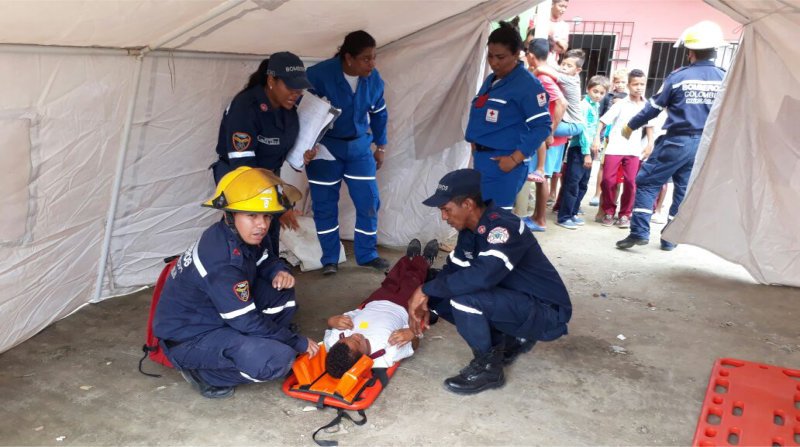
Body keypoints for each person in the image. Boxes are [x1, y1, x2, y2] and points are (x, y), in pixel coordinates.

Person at [154, 167, 319, 399]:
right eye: (251, 216)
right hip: (188, 338)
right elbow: (246, 320)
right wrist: (295, 342)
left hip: (217, 316)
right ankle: (206, 374)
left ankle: (258, 341)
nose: (261, 225)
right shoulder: (222, 261)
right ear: (229, 215)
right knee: (277, 360)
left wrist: (278, 271)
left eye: (266, 216)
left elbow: (264, 258)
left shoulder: (238, 235)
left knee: (282, 293)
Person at [408, 169, 572, 395]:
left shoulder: (503, 228)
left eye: (446, 209)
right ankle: (509, 340)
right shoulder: (470, 230)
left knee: (464, 298)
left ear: (467, 204)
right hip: (519, 301)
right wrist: (426, 298)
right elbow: (452, 272)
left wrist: (425, 289)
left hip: (546, 311)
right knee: (439, 292)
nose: (443, 217)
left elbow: (482, 276)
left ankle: (488, 369)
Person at [616, 21, 726, 251]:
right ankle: (670, 239)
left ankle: (639, 232)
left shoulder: (679, 77)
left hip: (677, 140)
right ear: (715, 51)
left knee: (647, 182)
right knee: (683, 189)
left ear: (690, 52)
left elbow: (653, 107)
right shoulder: (723, 78)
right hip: (705, 144)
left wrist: (631, 125)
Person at [211, 52, 315, 253]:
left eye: (299, 88)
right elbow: (244, 168)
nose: (296, 93)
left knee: (269, 234)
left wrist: (303, 155)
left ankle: (270, 275)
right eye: (290, 87)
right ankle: (238, 280)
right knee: (244, 234)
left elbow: (283, 150)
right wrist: (279, 205)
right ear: (271, 80)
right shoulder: (245, 107)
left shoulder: (289, 110)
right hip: (239, 177)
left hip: (268, 176)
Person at [305, 30, 390, 275]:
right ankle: (329, 258)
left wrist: (381, 146)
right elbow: (305, 114)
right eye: (366, 58)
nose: (372, 64)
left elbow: (379, 114)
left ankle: (367, 254)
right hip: (325, 148)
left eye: (374, 57)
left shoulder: (374, 79)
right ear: (348, 58)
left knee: (369, 202)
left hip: (359, 148)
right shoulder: (319, 75)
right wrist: (305, 148)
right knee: (324, 206)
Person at [466, 22, 552, 215]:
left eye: (500, 57)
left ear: (516, 54)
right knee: (480, 218)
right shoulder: (493, 79)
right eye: (490, 56)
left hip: (504, 163)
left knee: (496, 220)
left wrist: (515, 159)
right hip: (482, 160)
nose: (494, 62)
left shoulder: (528, 85)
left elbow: (543, 127)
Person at [323, 239, 439, 378]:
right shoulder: (385, 353)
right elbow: (413, 346)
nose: (355, 335)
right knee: (412, 280)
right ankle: (424, 261)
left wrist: (332, 321)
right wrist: (411, 334)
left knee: (392, 279)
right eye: (357, 342)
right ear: (362, 359)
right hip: (402, 306)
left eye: (348, 337)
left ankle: (408, 259)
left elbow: (330, 326)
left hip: (375, 301)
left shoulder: (334, 343)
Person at [594, 69, 654, 228]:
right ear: (628, 85)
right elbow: (602, 122)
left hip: (634, 150)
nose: (639, 87)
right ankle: (608, 211)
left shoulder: (648, 106)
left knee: (631, 182)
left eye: (642, 84)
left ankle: (625, 214)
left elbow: (649, 127)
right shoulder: (620, 104)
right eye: (635, 84)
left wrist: (650, 144)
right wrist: (596, 139)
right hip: (614, 148)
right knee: (607, 181)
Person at [522, 37, 567, 232]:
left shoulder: (544, 78)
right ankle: (536, 217)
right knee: (541, 177)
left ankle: (540, 220)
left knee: (542, 177)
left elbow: (561, 103)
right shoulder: (541, 74)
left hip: (547, 134)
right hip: (545, 132)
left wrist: (550, 131)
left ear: (531, 56)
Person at [556, 75, 608, 229]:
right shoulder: (583, 106)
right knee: (572, 183)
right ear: (588, 89)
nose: (597, 95)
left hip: (589, 150)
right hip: (579, 149)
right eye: (595, 91)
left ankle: (572, 213)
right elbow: (584, 131)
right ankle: (564, 216)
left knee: (583, 183)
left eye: (601, 93)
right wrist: (586, 153)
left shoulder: (595, 106)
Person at [589, 68, 629, 208]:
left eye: (623, 82)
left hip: (621, 138)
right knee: (602, 166)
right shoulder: (608, 96)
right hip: (606, 135)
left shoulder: (629, 99)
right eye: (617, 82)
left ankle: (613, 199)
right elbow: (601, 115)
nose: (620, 84)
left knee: (618, 172)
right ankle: (597, 193)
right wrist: (598, 136)